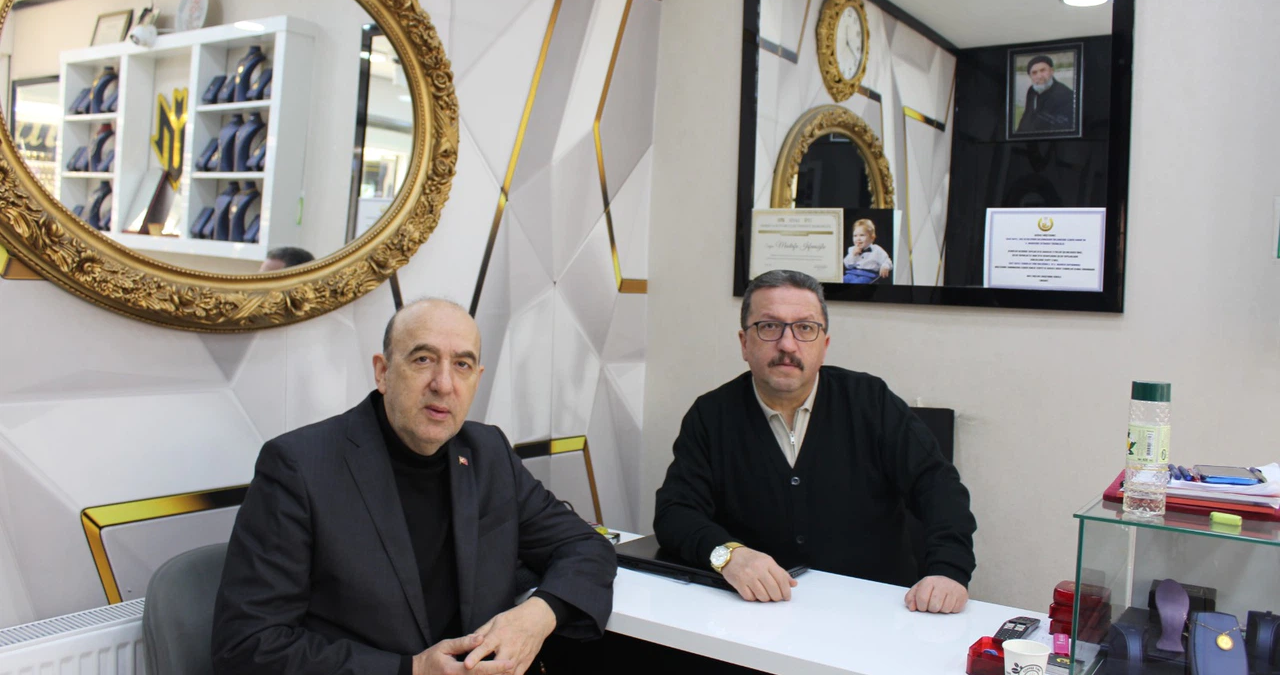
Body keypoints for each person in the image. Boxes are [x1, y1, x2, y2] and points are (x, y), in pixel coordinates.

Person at [212, 299, 616, 675]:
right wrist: (411, 670)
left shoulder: (488, 452)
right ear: (383, 372)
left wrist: (538, 615)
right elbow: (249, 645)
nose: (443, 384)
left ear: (477, 380)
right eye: (423, 359)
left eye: (462, 365)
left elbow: (586, 546)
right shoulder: (299, 466)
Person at [653, 270, 976, 613]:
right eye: (769, 326)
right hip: (758, 612)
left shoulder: (871, 402)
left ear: (824, 345)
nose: (787, 345)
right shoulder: (711, 414)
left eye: (805, 328)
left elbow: (938, 487)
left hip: (875, 610)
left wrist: (948, 570)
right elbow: (675, 512)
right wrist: (729, 555)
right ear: (744, 343)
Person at [1016, 54, 1075, 134]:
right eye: (1034, 73)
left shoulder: (1066, 95)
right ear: (1030, 76)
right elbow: (1027, 116)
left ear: (1051, 71)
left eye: (1043, 70)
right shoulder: (1031, 91)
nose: (1039, 76)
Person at [842, 218, 892, 284]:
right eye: (855, 236)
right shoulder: (852, 249)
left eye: (862, 235)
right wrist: (853, 255)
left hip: (868, 276)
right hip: (852, 273)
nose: (858, 239)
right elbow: (847, 265)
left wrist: (885, 266)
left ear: (872, 238)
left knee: (858, 282)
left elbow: (887, 261)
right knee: (842, 280)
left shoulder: (876, 250)